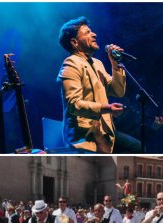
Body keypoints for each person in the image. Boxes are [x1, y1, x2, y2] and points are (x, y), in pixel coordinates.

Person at [57, 16, 141, 153]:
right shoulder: (71, 64)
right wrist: (106, 108)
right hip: (85, 135)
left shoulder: (97, 64)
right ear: (74, 42)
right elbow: (73, 103)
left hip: (104, 131)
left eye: (92, 31)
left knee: (138, 148)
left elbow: (118, 91)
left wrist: (115, 64)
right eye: (87, 32)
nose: (94, 34)